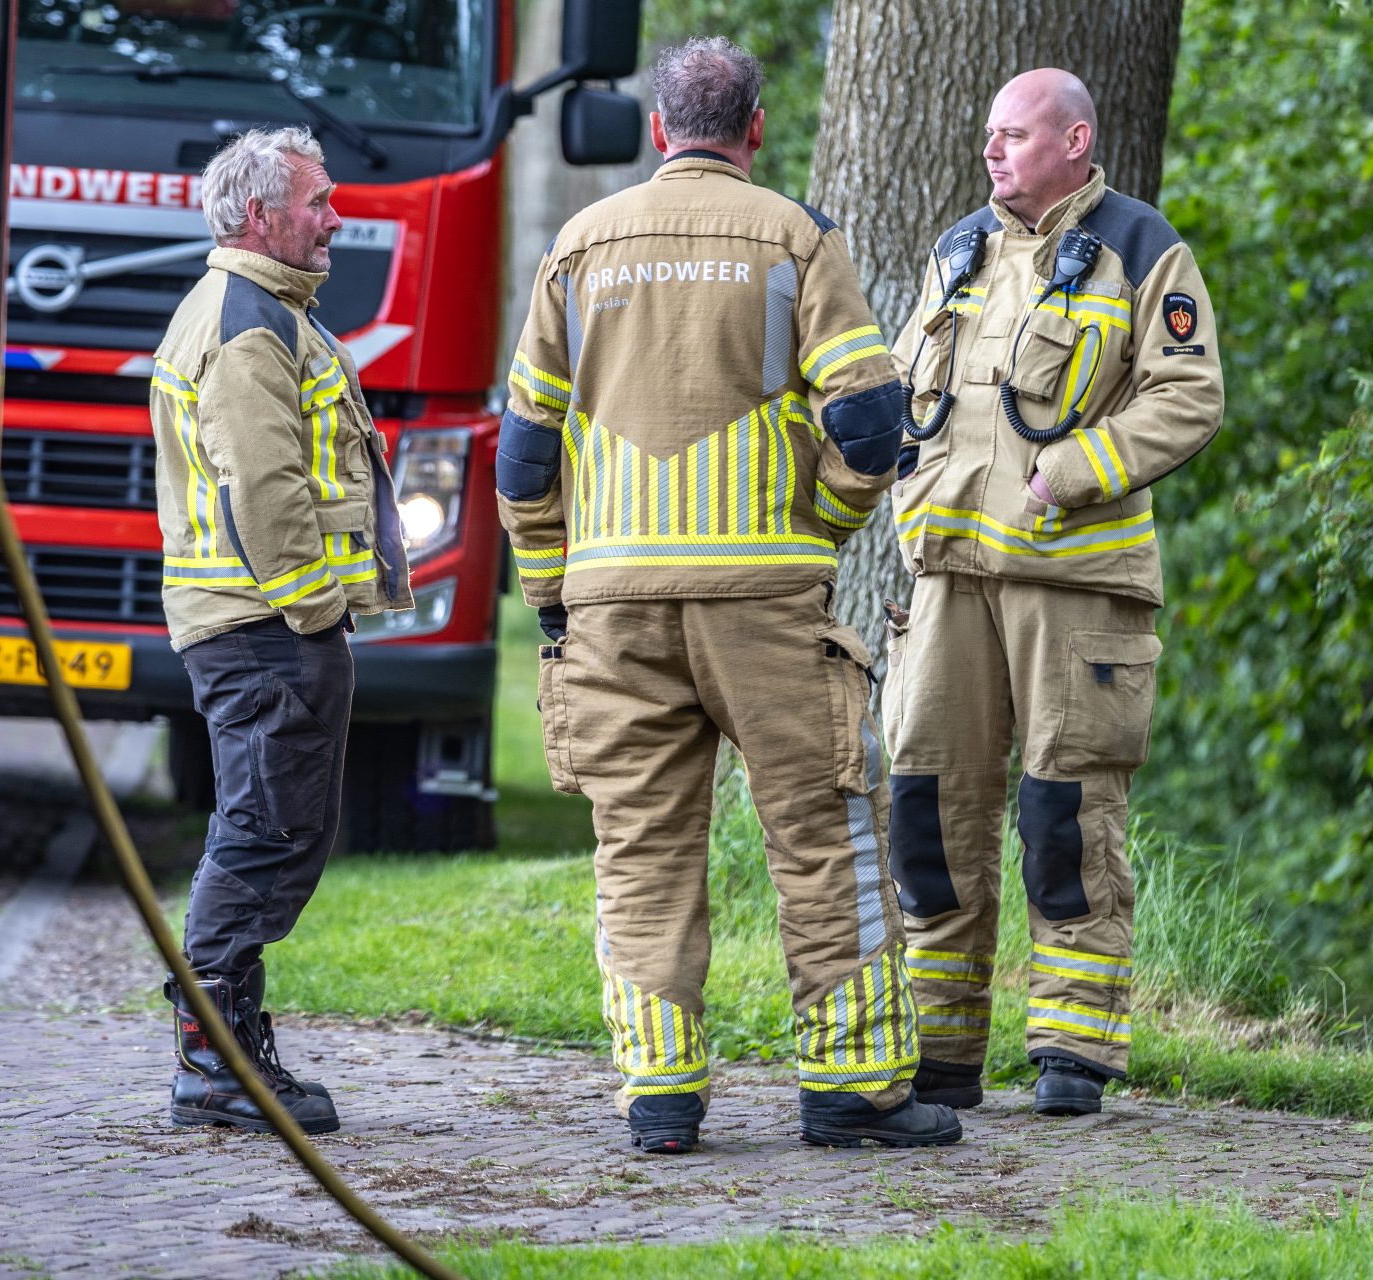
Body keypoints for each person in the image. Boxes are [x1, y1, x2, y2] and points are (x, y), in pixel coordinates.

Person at [499, 36, 961, 1153]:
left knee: (641, 849)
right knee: (825, 837)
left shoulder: (578, 246)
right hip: (764, 602)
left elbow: (523, 453)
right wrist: (820, 529)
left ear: (660, 129)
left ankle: (659, 1095)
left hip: (613, 605)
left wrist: (554, 591)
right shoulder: (795, 237)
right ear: (755, 128)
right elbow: (871, 426)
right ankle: (852, 1087)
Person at [885, 69, 1223, 1117]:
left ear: (1075, 141)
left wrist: (1065, 474)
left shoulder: (1140, 245)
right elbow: (907, 393)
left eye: (1015, 135)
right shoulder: (957, 249)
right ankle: (942, 1049)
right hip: (948, 579)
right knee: (930, 808)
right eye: (989, 134)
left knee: (1066, 814)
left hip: (1074, 582)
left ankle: (1074, 1048)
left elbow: (1189, 396)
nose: (992, 151)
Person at [149, 126, 412, 1135]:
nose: (334, 218)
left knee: (271, 830)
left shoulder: (262, 309)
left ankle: (227, 1053)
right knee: (264, 834)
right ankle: (214, 1067)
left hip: (260, 626)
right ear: (260, 215)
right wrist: (313, 613)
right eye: (318, 201)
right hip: (264, 628)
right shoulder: (248, 324)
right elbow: (263, 489)